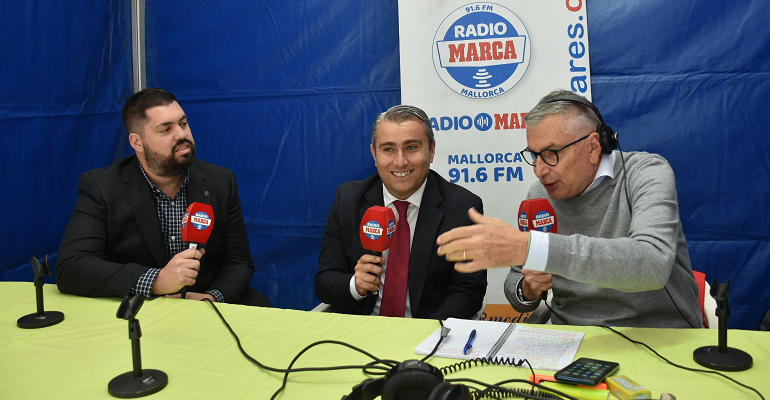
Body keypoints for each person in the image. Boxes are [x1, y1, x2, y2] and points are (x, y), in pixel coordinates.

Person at [436, 90, 702, 328]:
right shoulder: (539, 195)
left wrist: (535, 248)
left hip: (659, 336)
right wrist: (527, 289)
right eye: (534, 155)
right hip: (571, 340)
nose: (540, 170)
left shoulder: (645, 172)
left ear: (594, 146)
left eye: (551, 153)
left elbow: (652, 264)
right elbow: (517, 282)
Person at [56, 88, 270, 306]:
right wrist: (156, 281)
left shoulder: (220, 181)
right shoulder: (102, 186)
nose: (181, 135)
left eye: (183, 123)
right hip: (140, 306)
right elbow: (72, 266)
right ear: (137, 142)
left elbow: (239, 261)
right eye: (166, 129)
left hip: (204, 302)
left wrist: (213, 297)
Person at [315, 105, 486, 319]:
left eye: (411, 147)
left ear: (431, 150)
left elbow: (467, 292)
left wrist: (424, 335)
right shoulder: (348, 200)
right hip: (361, 333)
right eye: (388, 149)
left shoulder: (463, 208)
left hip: (425, 335)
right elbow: (324, 280)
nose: (400, 161)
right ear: (374, 154)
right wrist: (355, 285)